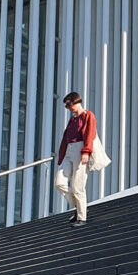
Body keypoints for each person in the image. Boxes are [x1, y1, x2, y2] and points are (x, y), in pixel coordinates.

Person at [55, 91, 96, 226]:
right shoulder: (72, 119)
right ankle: (79, 207)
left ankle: (82, 217)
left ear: (76, 102)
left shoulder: (87, 115)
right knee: (59, 182)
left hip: (80, 150)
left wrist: (86, 152)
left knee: (78, 186)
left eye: (68, 104)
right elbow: (65, 137)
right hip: (69, 151)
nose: (67, 108)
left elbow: (90, 134)